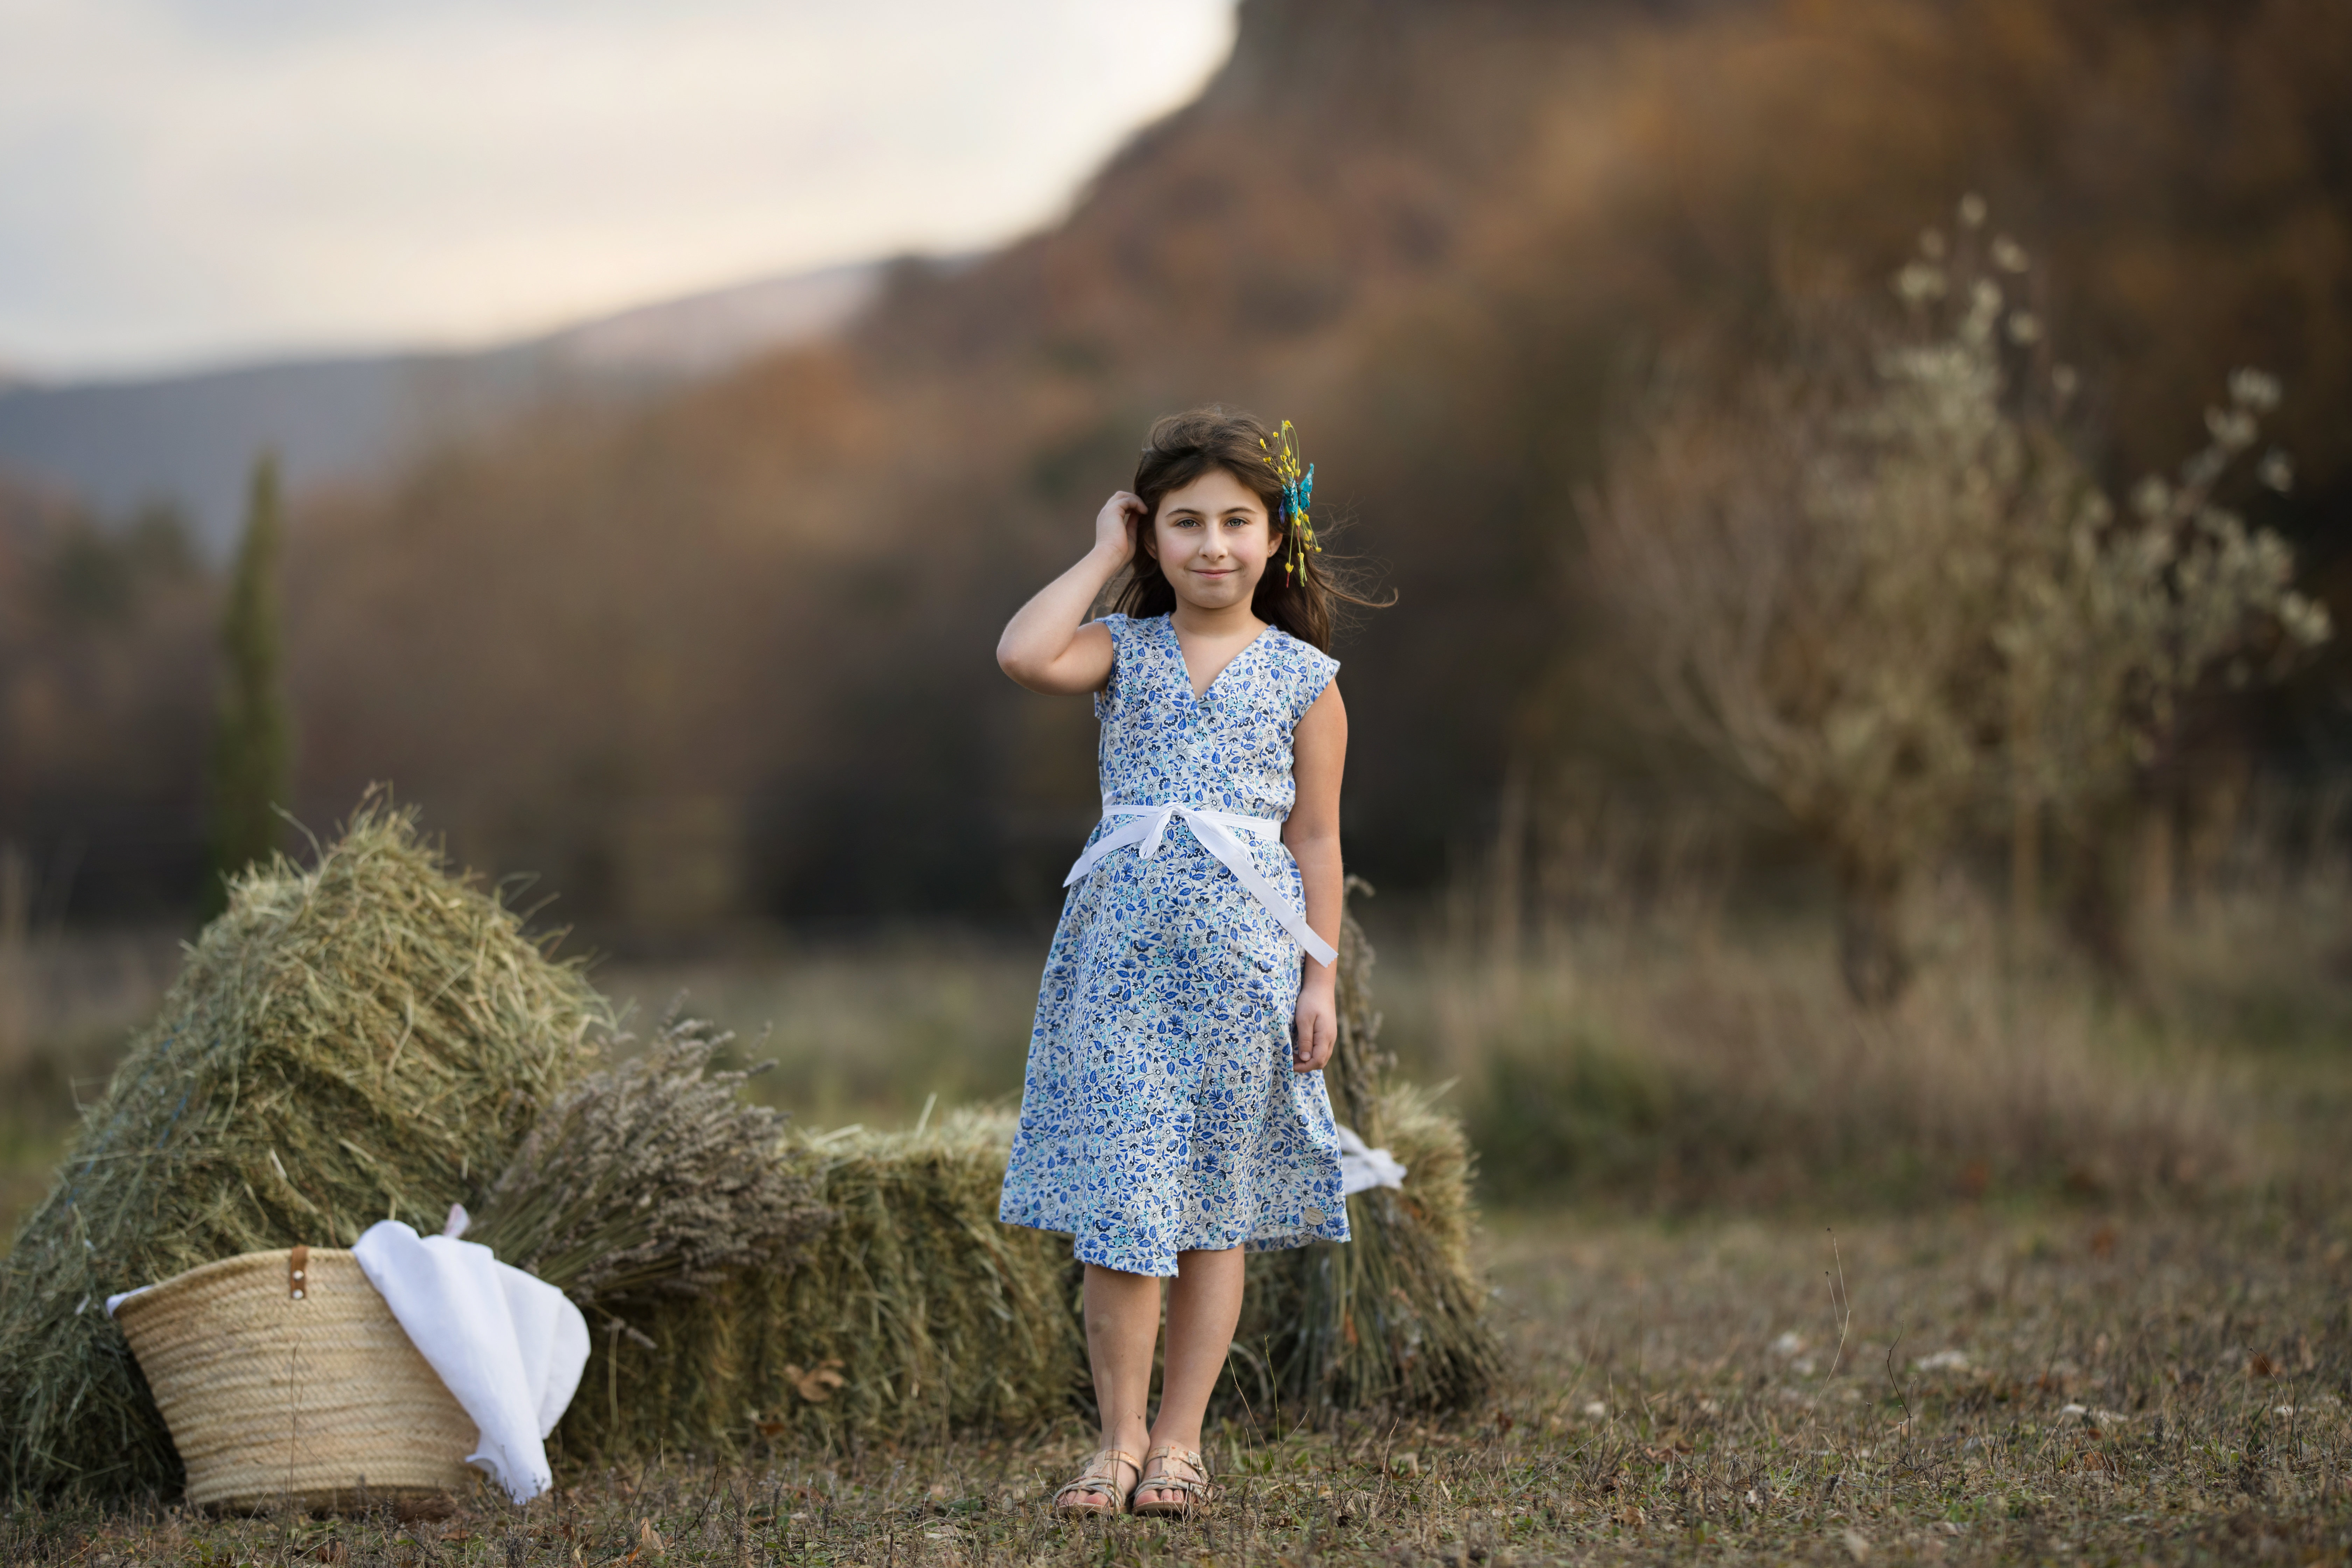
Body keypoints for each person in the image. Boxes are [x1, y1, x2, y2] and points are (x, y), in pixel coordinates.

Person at [994, 406, 1379, 1519]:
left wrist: (1321, 981)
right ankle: (1112, 1445)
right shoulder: (1124, 649)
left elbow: (1316, 839)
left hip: (1246, 973)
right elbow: (1023, 653)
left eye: (1236, 522)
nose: (1212, 545)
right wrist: (1103, 553)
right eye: (1183, 524)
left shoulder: (1309, 679)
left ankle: (1178, 1445)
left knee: (1212, 1211)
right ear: (1152, 537)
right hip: (1118, 962)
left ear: (1275, 538)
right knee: (1126, 1206)